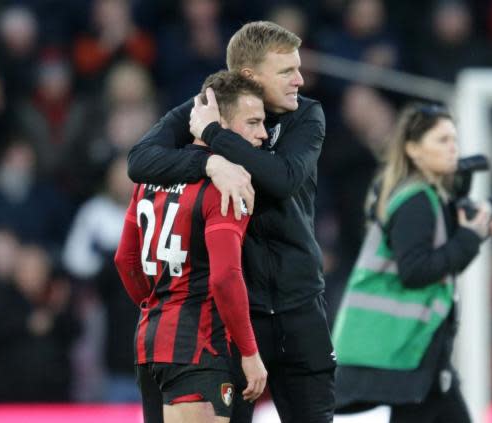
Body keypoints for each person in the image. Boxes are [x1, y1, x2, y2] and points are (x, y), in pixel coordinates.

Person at [127, 21, 336, 423]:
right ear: (249, 76)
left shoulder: (307, 115)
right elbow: (139, 162)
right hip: (238, 317)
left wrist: (213, 138)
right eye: (287, 71)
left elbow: (283, 179)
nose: (300, 79)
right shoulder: (207, 105)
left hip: (301, 308)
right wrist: (208, 162)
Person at [115, 71, 268, 423]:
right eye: (254, 122)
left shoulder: (153, 178)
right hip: (199, 349)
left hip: (149, 346)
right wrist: (249, 351)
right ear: (219, 123)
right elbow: (225, 278)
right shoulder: (227, 187)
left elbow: (125, 260)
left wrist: (159, 304)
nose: (263, 133)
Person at [332, 103, 492, 423]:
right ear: (413, 150)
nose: (453, 148)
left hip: (421, 354)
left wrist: (472, 237)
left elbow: (440, 267)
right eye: (442, 140)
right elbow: (416, 272)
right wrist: (468, 239)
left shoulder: (425, 196)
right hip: (408, 350)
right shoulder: (417, 201)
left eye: (454, 139)